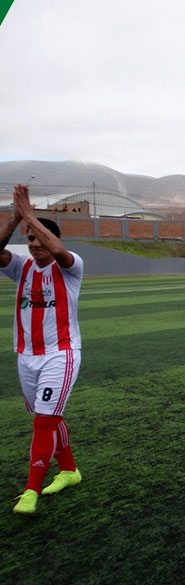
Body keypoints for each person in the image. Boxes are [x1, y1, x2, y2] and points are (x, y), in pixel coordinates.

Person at [1, 184, 84, 515]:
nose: (34, 244)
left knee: (44, 422)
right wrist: (15, 219)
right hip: (26, 355)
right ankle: (69, 470)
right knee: (46, 417)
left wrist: (32, 218)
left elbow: (56, 248)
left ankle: (30, 490)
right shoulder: (20, 267)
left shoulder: (70, 266)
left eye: (38, 237)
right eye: (29, 238)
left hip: (60, 355)